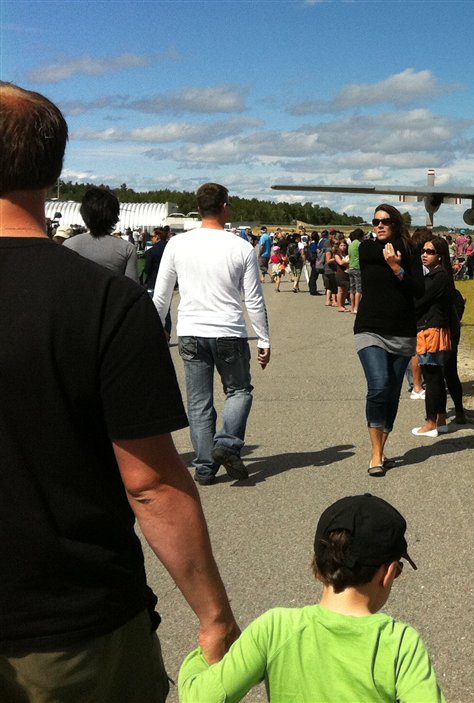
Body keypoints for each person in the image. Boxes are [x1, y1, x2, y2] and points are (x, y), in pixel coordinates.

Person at [0, 80, 238, 703]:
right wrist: (213, 614)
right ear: (53, 171)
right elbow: (151, 483)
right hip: (71, 627)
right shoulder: (105, 301)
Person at [179, 494, 445, 702]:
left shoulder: (274, 628)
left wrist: (202, 657)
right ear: (387, 574)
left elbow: (202, 697)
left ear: (318, 564)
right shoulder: (400, 643)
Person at [153, 183, 271, 485]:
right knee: (239, 390)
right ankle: (227, 443)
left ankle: (205, 467)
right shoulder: (241, 247)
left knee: (198, 402)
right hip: (228, 331)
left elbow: (162, 297)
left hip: (191, 331)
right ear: (225, 207)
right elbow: (253, 299)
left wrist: (154, 331)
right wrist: (264, 338)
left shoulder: (177, 244)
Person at [354, 204, 423, 477]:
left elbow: (417, 289)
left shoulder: (409, 252)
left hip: (402, 331)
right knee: (379, 385)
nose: (379, 225)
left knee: (392, 393)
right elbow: (372, 257)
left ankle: (381, 450)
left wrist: (398, 268)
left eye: (385, 221)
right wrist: (390, 261)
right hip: (370, 329)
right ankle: (374, 454)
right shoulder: (366, 249)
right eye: (375, 221)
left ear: (395, 224)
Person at [410, 236, 457, 438]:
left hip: (432, 329)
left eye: (430, 252)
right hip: (435, 327)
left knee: (432, 377)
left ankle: (431, 423)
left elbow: (420, 302)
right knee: (436, 376)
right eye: (424, 251)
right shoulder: (437, 275)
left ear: (440, 256)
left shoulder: (438, 277)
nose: (425, 255)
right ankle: (441, 419)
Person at [62, 186, 138, 281]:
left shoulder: (69, 245)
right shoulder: (127, 249)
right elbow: (132, 289)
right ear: (115, 215)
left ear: (84, 214)